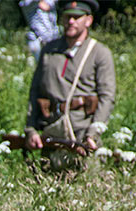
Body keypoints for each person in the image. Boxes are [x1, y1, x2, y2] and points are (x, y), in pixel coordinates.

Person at [25, 0, 115, 171]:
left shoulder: (100, 53)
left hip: (82, 133)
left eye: (76, 17)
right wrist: (31, 129)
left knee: (86, 190)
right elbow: (35, 92)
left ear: (88, 20)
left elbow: (107, 96)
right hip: (51, 133)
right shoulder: (49, 50)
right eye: (67, 17)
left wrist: (93, 133)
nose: (70, 22)